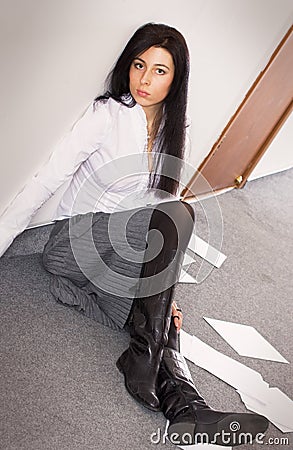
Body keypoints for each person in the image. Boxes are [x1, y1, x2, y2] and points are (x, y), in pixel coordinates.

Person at [0, 22, 268, 446]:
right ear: (128, 65)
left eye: (160, 71)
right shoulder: (106, 116)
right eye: (139, 65)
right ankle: (144, 355)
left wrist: (166, 291)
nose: (144, 80)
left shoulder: (176, 127)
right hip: (74, 242)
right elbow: (45, 180)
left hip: (119, 248)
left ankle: (187, 408)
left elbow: (154, 209)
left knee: (155, 315)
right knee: (179, 216)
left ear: (176, 79)